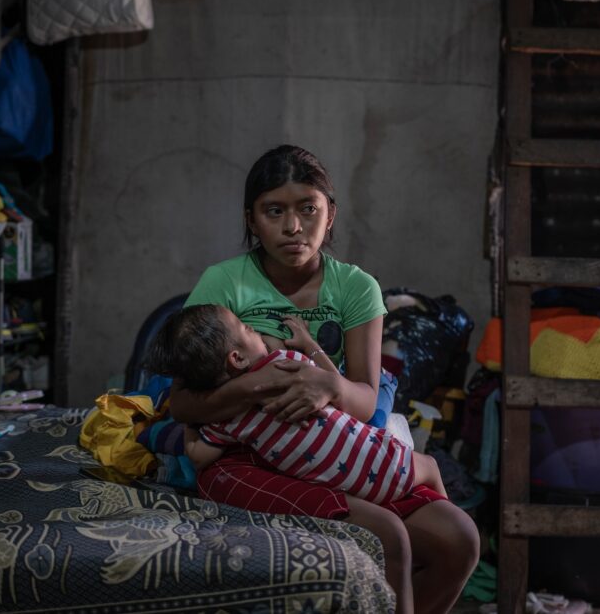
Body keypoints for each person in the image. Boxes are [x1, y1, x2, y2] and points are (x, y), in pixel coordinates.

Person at [167, 145, 479, 614]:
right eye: (274, 212)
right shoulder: (224, 283)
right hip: (246, 456)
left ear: (329, 214)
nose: (293, 227)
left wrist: (329, 387)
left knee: (460, 540)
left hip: (328, 446)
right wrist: (260, 384)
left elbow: (365, 400)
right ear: (252, 220)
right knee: (387, 533)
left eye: (307, 210)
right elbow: (183, 404)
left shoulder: (355, 288)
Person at [149, 303, 447, 502]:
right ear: (236, 358)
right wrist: (309, 345)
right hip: (386, 463)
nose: (256, 330)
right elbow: (337, 387)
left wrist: (194, 423)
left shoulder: (224, 424)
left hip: (353, 489)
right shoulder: (286, 364)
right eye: (247, 328)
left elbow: (197, 456)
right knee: (431, 466)